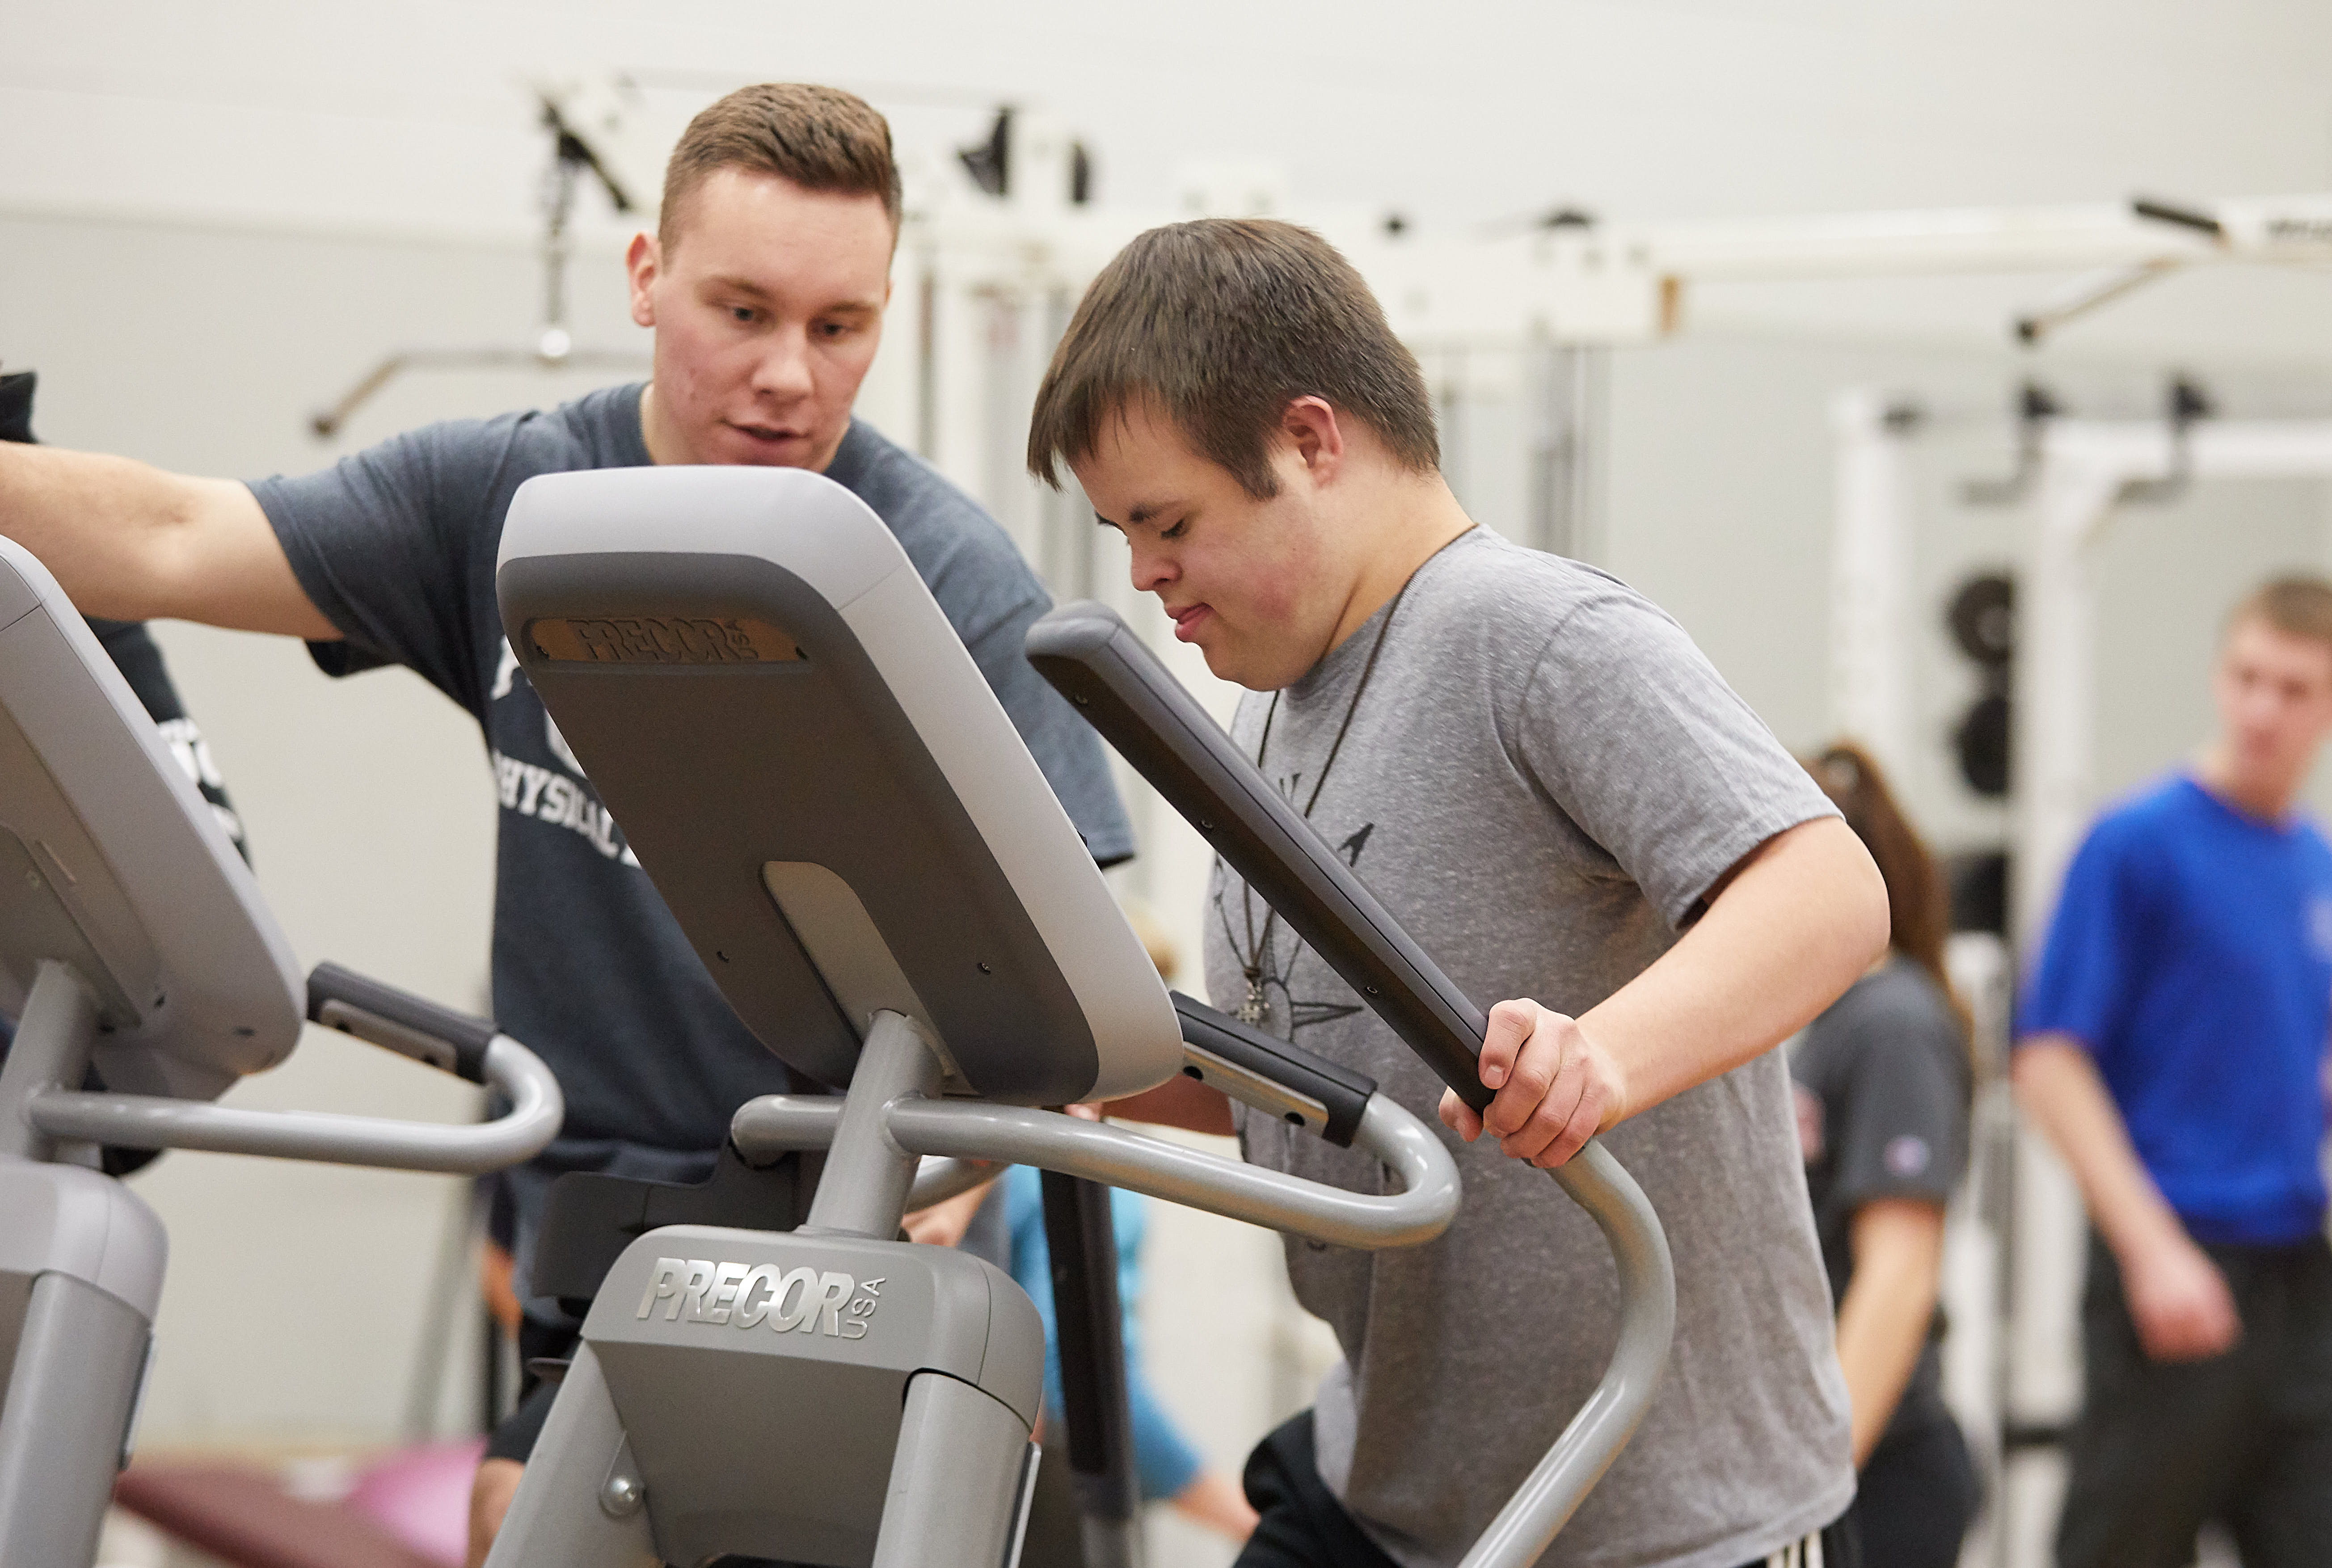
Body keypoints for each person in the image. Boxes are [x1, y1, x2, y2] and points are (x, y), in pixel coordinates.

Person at [0, 84, 1132, 1563]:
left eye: (840, 326)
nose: (789, 373)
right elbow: (169, 536)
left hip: (838, 1233)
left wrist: (956, 1176)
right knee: (508, 1522)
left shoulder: (936, 573)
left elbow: (1097, 970)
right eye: (741, 308)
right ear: (646, 278)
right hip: (588, 1237)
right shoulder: (512, 495)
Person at [1026, 218, 1889, 1568]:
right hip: (1389, 1490)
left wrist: (1598, 1055)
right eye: (1123, 534)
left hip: (1638, 1519)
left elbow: (1830, 891)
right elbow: (1315, 1081)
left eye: (1169, 521)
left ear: (1312, 442)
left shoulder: (1529, 636)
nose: (1144, 575)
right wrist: (1049, 1051)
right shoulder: (1281, 714)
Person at [2013, 577, 2332, 1568]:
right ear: (2216, 676)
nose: (2261, 708)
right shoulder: (2134, 845)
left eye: (2293, 688)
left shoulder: (2311, 864)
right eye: (2246, 678)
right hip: (2180, 1267)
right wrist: (2152, 1248)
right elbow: (2048, 1057)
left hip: (2295, 1275)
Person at [1789, 744, 1978, 1568]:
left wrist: (1810, 1487)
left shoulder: (1890, 1023)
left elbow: (1897, 1275)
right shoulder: (1820, 1021)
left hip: (1879, 1467)